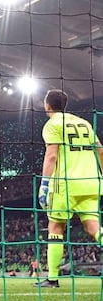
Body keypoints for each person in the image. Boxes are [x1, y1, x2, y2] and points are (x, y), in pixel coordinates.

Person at [35, 89, 103, 288]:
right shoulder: (84, 123)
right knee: (93, 228)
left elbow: (52, 156)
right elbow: (100, 150)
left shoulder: (52, 124)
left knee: (55, 227)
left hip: (65, 183)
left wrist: (44, 185)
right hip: (91, 181)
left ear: (47, 105)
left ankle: (53, 278)